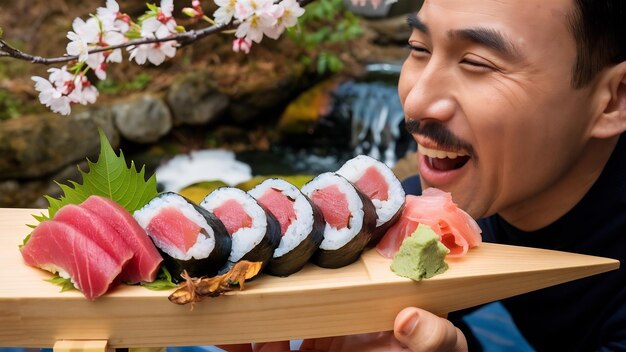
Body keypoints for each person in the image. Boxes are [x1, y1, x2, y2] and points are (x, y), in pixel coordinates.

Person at [223, 0, 626, 350]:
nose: (415, 102)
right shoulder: (438, 205)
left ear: (613, 100)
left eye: (477, 62)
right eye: (418, 48)